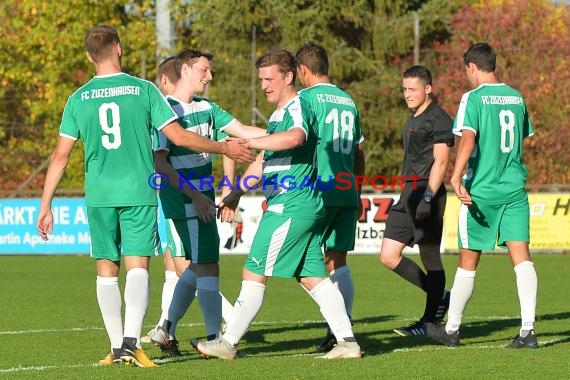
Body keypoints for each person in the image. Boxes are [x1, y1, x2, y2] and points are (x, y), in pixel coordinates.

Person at [35, 25, 255, 368]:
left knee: (105, 270)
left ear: (89, 56)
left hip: (99, 194)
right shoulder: (144, 90)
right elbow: (179, 137)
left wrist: (45, 204)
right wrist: (221, 146)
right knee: (138, 267)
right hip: (138, 192)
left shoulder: (78, 98)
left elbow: (60, 156)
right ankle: (132, 343)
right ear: (119, 49)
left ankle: (115, 348)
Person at [192, 48, 361, 360]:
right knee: (314, 278)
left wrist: (249, 141)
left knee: (253, 272)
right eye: (261, 80)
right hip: (301, 206)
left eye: (269, 79)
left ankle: (227, 343)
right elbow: (263, 161)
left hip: (290, 205)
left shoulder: (298, 106)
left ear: (289, 76)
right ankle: (348, 342)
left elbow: (295, 137)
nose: (264, 85)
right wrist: (236, 192)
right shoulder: (278, 114)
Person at [426, 43, 538, 348]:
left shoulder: (473, 98)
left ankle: (451, 329)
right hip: (514, 188)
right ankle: (528, 331)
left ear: (472, 67)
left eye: (467, 71)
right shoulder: (516, 97)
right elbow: (520, 139)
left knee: (468, 259)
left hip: (482, 191)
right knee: (522, 258)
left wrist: (456, 173)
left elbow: (468, 138)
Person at [142, 55, 235, 351]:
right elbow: (161, 164)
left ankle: (165, 327)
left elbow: (238, 135)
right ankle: (212, 337)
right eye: (204, 69)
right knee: (206, 265)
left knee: (195, 266)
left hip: (198, 197)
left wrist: (278, 136)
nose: (210, 75)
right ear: (185, 70)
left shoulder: (207, 108)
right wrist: (195, 196)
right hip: (187, 200)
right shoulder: (165, 111)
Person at [295, 43, 365, 352]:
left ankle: (340, 330)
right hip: (346, 187)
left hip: (317, 190)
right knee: (337, 261)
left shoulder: (305, 99)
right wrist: (358, 188)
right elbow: (359, 151)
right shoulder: (348, 100)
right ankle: (342, 327)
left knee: (303, 262)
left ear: (304, 70)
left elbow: (297, 144)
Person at [379, 65, 453, 337]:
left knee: (430, 256)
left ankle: (429, 322)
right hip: (406, 194)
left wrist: (428, 197)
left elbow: (442, 161)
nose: (407, 94)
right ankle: (440, 297)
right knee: (388, 255)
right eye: (404, 89)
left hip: (426, 193)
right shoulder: (412, 118)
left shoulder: (440, 118)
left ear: (428, 88)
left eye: (412, 89)